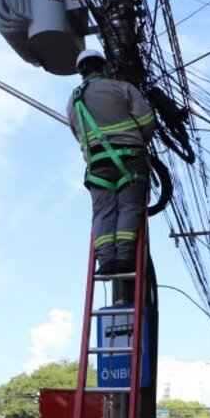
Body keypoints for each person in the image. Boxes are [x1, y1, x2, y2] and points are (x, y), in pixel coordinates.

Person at [66, 49, 156, 275]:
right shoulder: (122, 88)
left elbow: (78, 135)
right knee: (129, 206)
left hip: (97, 165)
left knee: (103, 212)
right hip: (131, 159)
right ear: (103, 67)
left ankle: (106, 261)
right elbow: (147, 122)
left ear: (81, 72)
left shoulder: (73, 101)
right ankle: (125, 257)